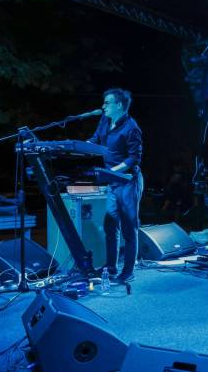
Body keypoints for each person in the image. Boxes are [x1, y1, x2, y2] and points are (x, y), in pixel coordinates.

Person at [88, 88, 143, 283]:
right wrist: (77, 147)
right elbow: (95, 141)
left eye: (107, 103)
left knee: (129, 227)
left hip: (128, 182)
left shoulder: (131, 128)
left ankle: (128, 271)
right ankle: (111, 267)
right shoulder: (104, 120)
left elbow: (134, 158)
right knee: (110, 225)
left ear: (119, 105)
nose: (103, 106)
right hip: (112, 181)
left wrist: (112, 171)